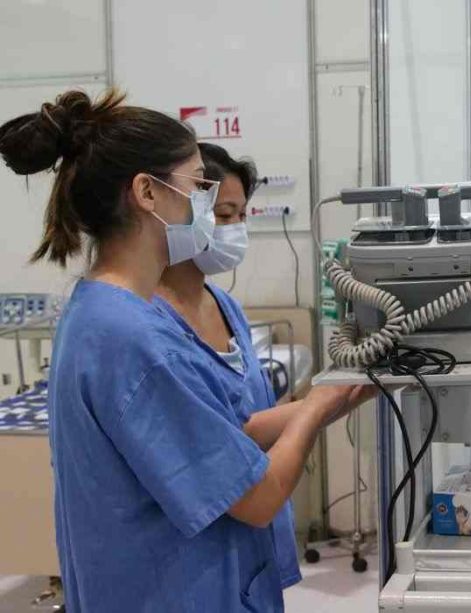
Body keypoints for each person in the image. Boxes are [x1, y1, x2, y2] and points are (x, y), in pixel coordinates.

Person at [0, 89, 372, 612]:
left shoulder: (100, 313)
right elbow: (258, 498)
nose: (208, 206)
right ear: (147, 193)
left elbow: (223, 436)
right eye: (199, 186)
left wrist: (342, 392)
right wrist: (313, 411)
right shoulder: (134, 339)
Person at [152, 143, 303, 591]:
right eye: (223, 214)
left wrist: (338, 394)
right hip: (198, 546)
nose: (235, 228)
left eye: (242, 215)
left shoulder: (225, 306)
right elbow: (221, 440)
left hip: (252, 530)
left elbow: (248, 423)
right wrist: (316, 410)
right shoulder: (151, 322)